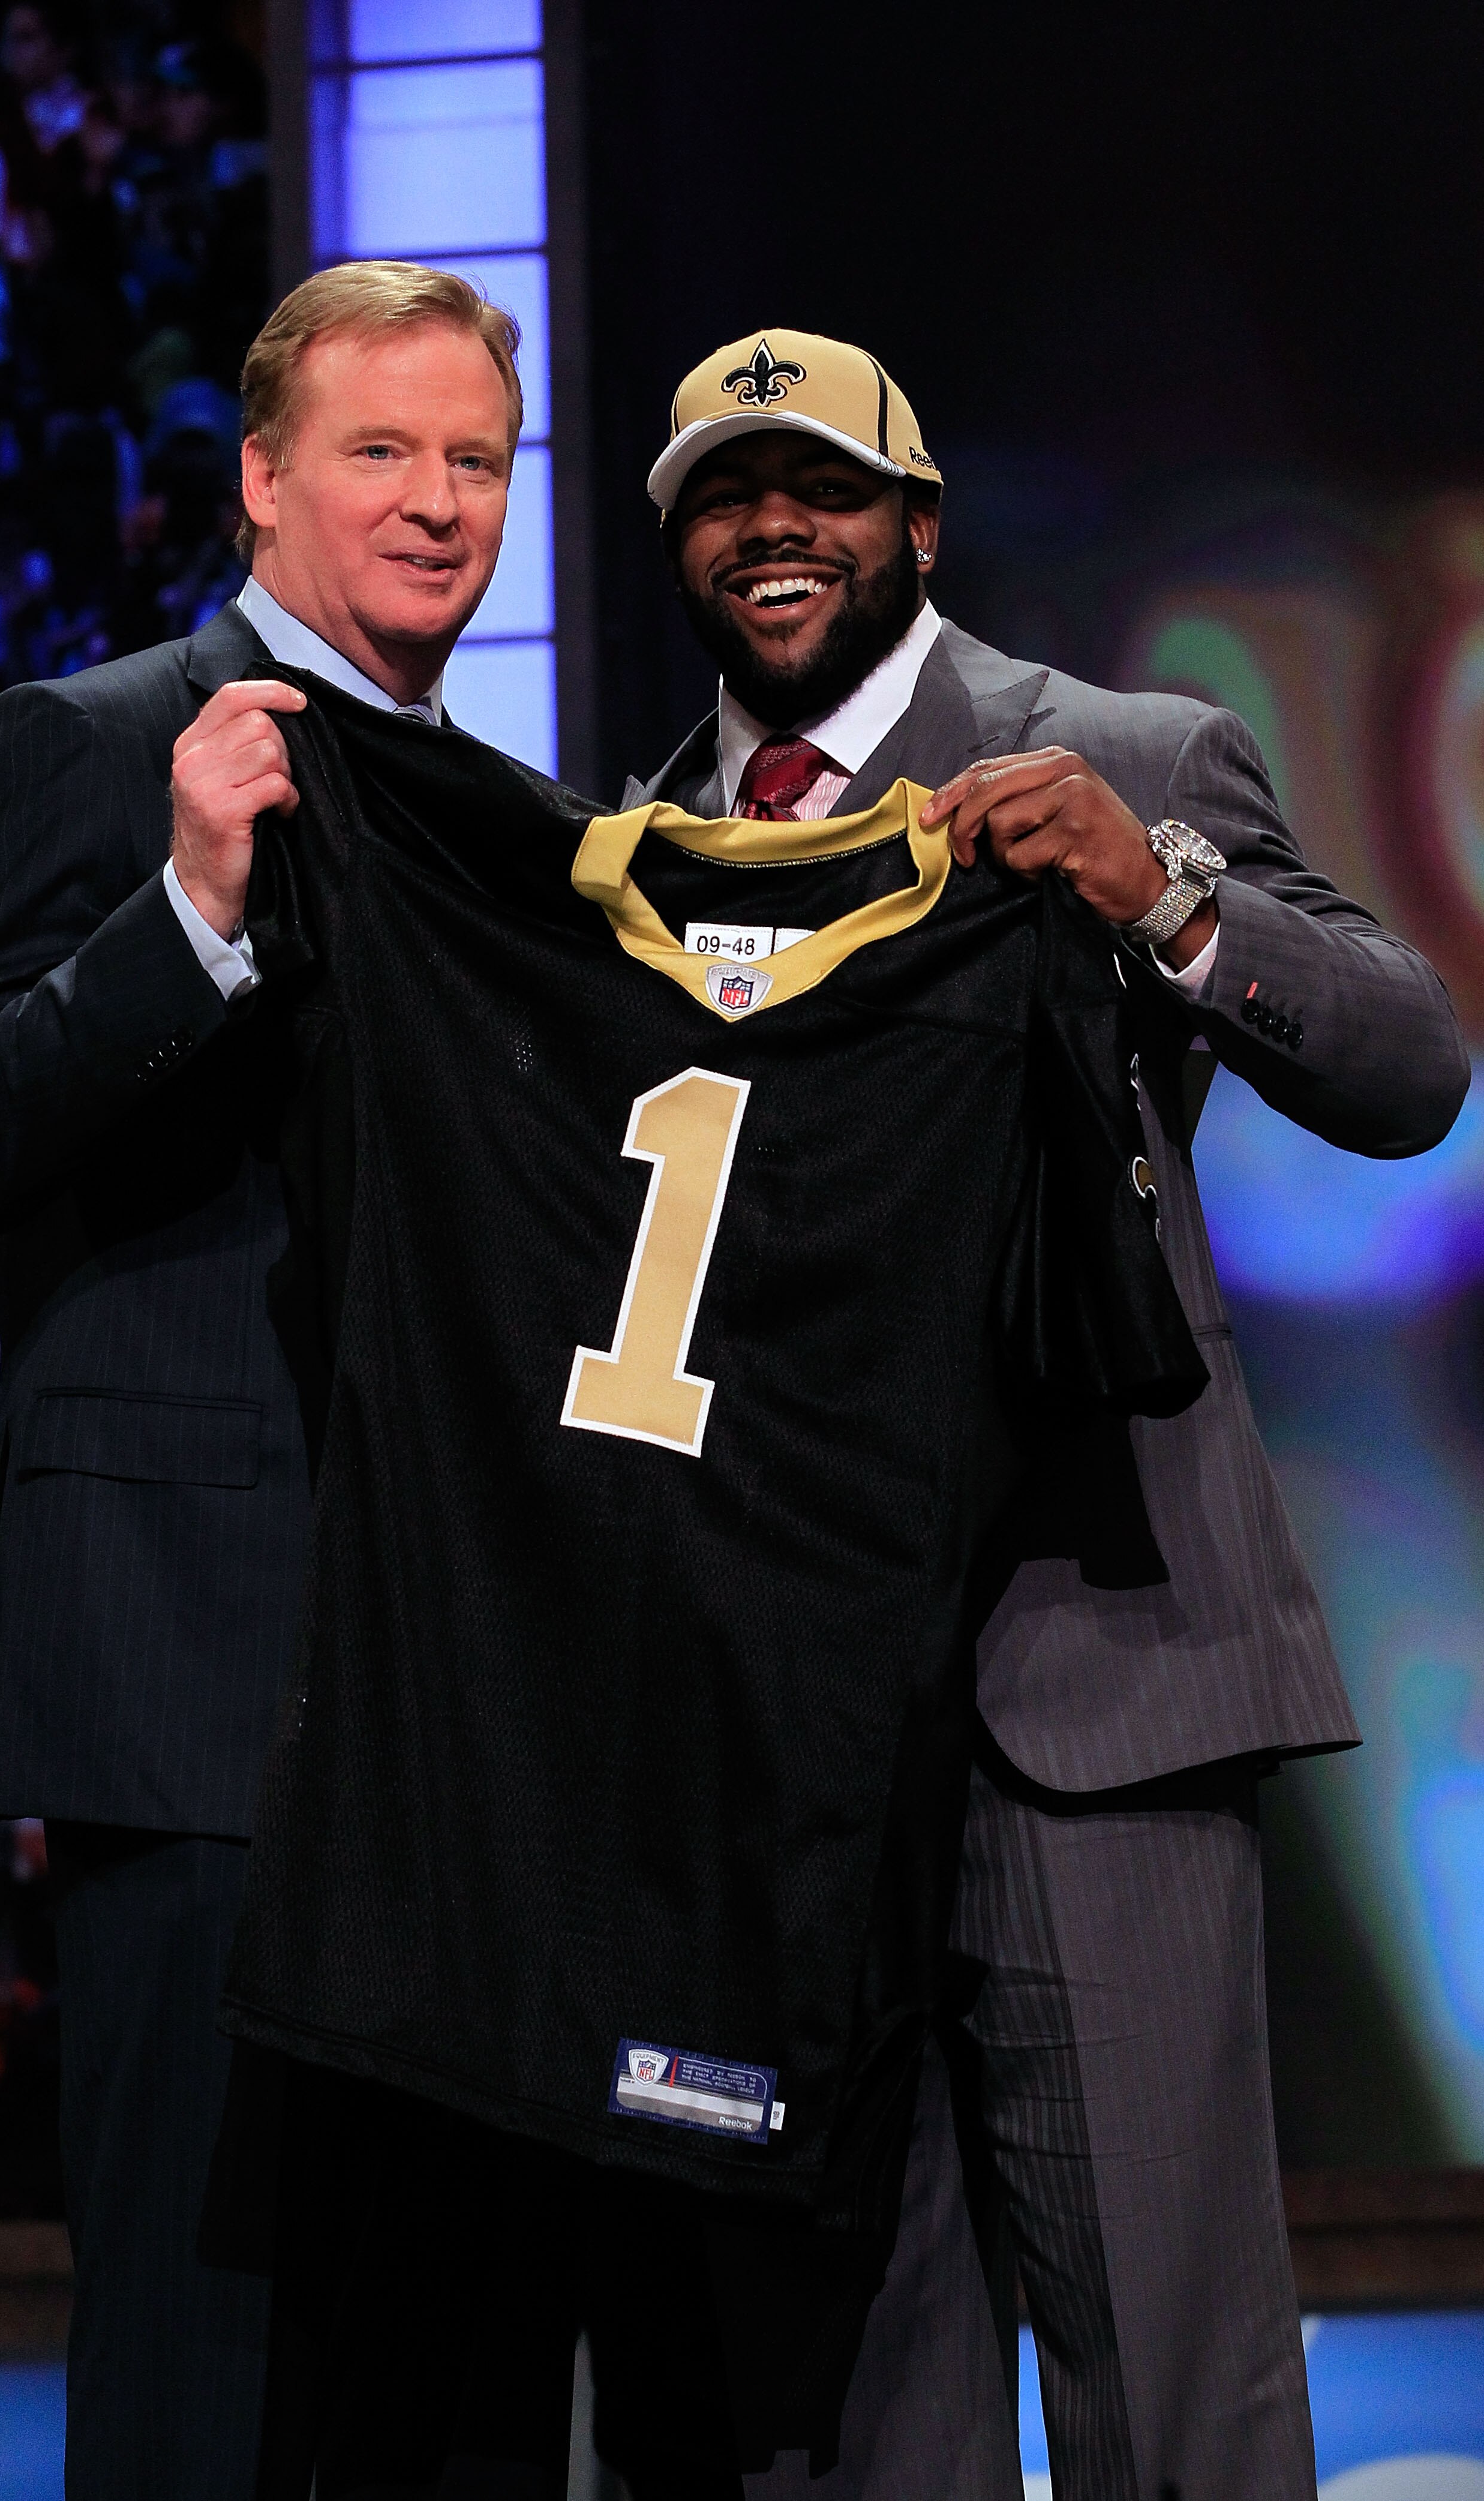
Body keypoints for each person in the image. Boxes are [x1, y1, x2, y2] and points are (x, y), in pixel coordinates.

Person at [628, 327, 1471, 2501]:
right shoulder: (627, 855)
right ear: (676, 550)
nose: (773, 527)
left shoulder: (1124, 752)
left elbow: (1403, 1069)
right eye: (727, 494)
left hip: (1090, 1689)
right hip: (786, 1747)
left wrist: (1161, 894)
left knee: (1169, 2383)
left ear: (918, 524)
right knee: (858, 2407)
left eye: (818, 485)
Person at [0, 259, 524, 2501]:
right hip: (189, 1681)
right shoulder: (91, 737)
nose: (436, 502)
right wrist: (185, 908)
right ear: (261, 480)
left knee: (441, 2364)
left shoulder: (513, 815)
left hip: (461, 1698)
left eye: (474, 458)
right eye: (381, 450)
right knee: (204, 2359)